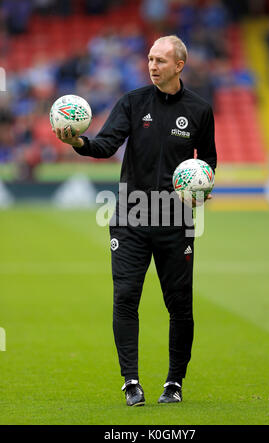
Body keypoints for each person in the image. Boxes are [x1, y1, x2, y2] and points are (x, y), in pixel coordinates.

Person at [53, 35, 217, 406]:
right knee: (126, 297)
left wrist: (202, 188)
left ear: (179, 65)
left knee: (179, 304)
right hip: (131, 217)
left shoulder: (199, 110)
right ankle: (131, 382)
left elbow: (207, 162)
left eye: (160, 60)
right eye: (149, 58)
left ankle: (174, 382)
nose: (152, 65)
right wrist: (79, 143)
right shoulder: (132, 102)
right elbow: (105, 145)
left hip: (176, 220)